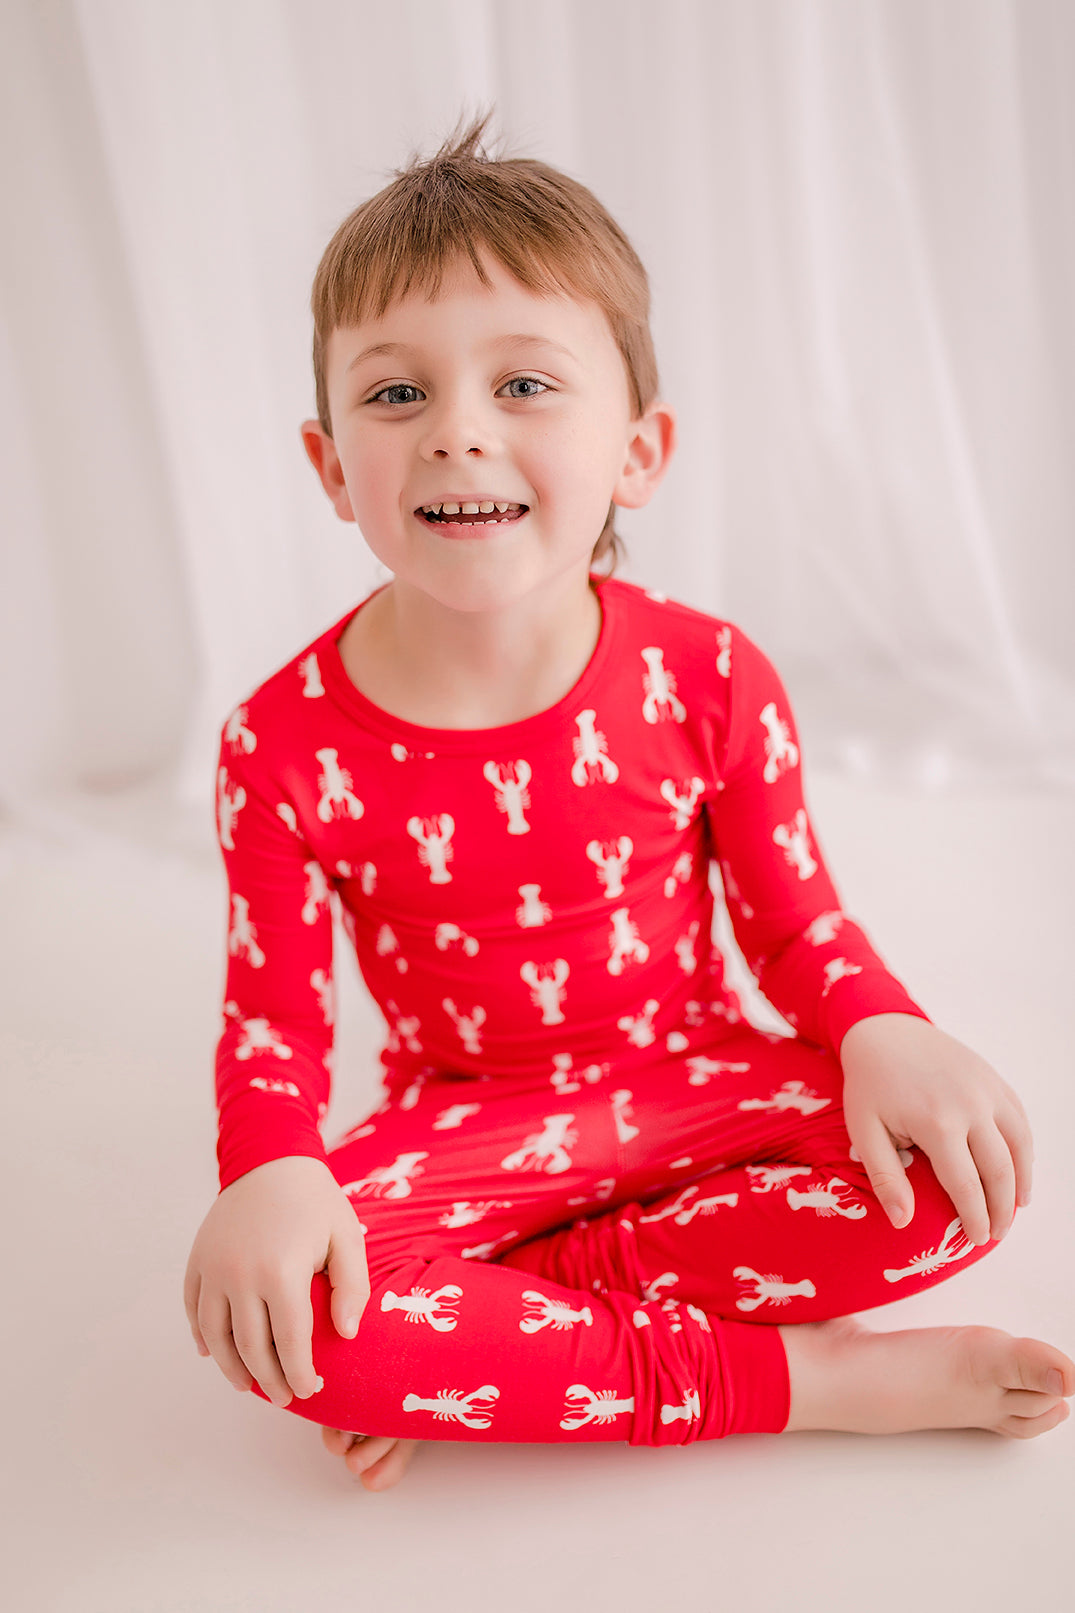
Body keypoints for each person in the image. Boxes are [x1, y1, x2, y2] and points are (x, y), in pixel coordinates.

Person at [184, 108, 1073, 1493]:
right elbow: (276, 1020)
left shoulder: (709, 674)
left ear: (640, 449)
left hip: (692, 1079)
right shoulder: (281, 741)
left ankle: (523, 1322)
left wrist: (880, 1024)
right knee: (299, 1334)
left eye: (525, 386)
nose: (457, 433)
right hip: (468, 1115)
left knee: (956, 1182)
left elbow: (796, 926)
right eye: (396, 392)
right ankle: (807, 1379)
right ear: (329, 464)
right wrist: (269, 1172)